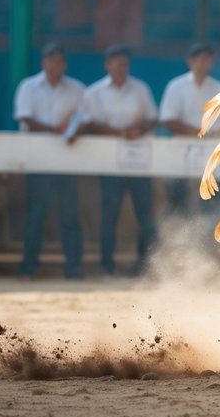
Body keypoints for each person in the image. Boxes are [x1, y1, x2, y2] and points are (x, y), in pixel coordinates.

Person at [68, 45, 159, 277]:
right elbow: (90, 123)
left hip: (139, 161)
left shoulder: (140, 88)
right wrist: (119, 133)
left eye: (125, 64)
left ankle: (146, 266)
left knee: (145, 215)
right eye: (116, 63)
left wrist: (138, 130)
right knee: (109, 214)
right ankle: (106, 266)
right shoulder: (93, 93)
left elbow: (152, 119)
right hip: (109, 163)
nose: (121, 68)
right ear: (107, 65)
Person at [14, 43, 86, 279]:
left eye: (61, 61)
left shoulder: (77, 89)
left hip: (67, 161)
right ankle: (29, 266)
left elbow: (86, 116)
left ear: (65, 64)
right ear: (43, 63)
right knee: (36, 214)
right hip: (39, 161)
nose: (57, 65)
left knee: (70, 215)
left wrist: (76, 129)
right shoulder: (28, 87)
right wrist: (54, 129)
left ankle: (74, 267)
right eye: (52, 60)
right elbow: (25, 118)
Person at [160, 43, 220, 214]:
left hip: (209, 153)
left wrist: (212, 135)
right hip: (180, 151)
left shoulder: (219, 88)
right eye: (200, 59)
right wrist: (196, 132)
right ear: (190, 62)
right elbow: (167, 119)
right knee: (177, 200)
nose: (204, 64)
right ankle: (176, 235)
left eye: (208, 60)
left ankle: (206, 238)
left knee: (211, 201)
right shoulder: (176, 86)